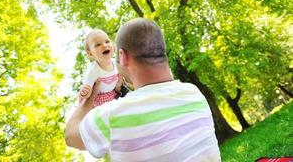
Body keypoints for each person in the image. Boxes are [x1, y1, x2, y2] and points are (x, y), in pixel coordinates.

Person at [65, 18, 221, 161]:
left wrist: (88, 100)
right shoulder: (193, 93)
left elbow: (70, 137)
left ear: (123, 56)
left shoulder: (112, 115)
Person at [78, 29, 124, 107]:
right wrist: (84, 93)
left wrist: (119, 84)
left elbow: (118, 84)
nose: (104, 45)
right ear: (90, 53)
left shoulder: (117, 63)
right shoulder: (93, 71)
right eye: (98, 45)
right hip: (97, 100)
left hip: (113, 94)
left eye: (107, 42)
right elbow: (88, 93)